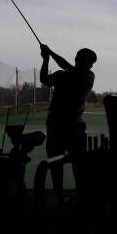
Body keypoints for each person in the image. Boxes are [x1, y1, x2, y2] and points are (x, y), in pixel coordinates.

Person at [40, 44, 97, 204]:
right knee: (78, 162)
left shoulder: (62, 76)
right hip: (76, 126)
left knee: (55, 161)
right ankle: (81, 195)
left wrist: (46, 60)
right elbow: (68, 66)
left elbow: (44, 79)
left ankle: (61, 196)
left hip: (56, 125)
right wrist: (51, 52)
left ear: (76, 59)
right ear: (90, 64)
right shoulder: (89, 76)